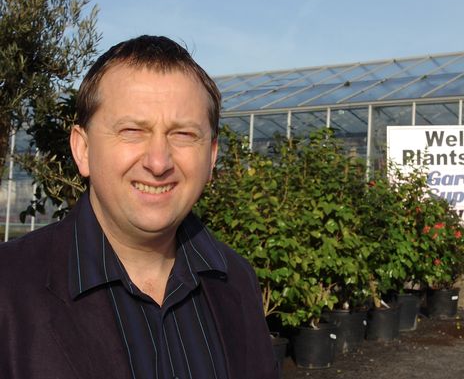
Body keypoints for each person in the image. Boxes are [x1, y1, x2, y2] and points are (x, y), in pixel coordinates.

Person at [0, 36, 277, 379]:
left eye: (184, 134)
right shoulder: (9, 287)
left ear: (212, 156)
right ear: (83, 150)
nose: (158, 162)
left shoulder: (236, 279)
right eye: (132, 130)